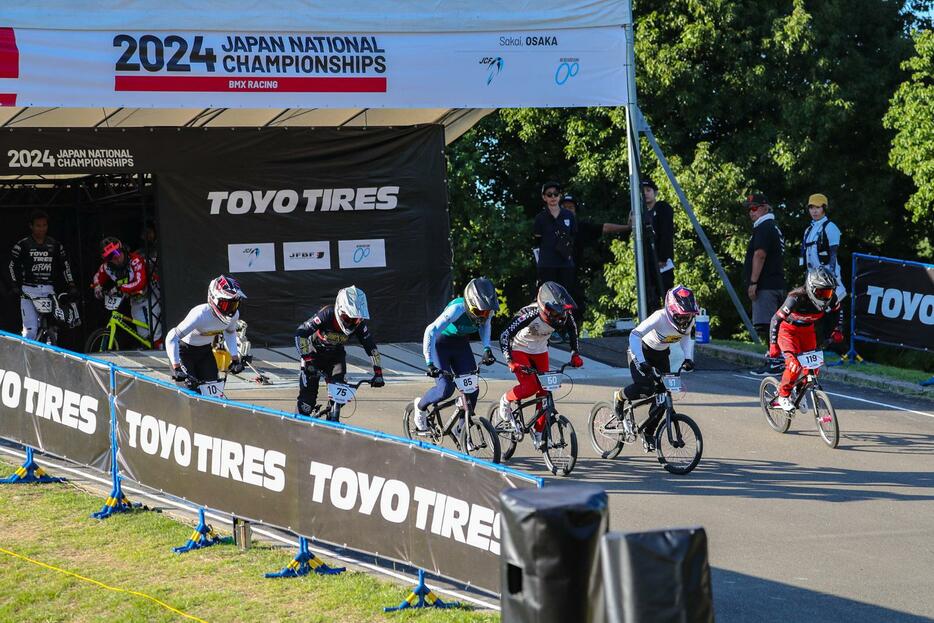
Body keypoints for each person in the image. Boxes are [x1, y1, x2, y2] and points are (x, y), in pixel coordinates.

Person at [498, 281, 584, 448]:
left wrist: (575, 353)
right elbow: (504, 334)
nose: (561, 319)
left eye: (562, 316)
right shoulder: (529, 314)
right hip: (520, 349)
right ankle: (506, 400)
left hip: (540, 350)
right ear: (546, 310)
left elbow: (573, 330)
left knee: (545, 391)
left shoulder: (563, 313)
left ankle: (539, 433)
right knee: (530, 387)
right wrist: (510, 361)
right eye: (557, 316)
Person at [616, 285, 699, 451]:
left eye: (688, 316)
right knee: (645, 388)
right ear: (670, 311)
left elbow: (686, 337)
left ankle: (648, 432)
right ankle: (619, 397)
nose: (684, 320)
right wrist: (640, 362)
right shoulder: (659, 317)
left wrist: (688, 357)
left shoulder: (689, 320)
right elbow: (634, 335)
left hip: (661, 355)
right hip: (641, 351)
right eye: (681, 317)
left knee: (663, 396)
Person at [412, 278, 499, 433]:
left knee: (472, 388)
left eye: (487, 312)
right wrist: (429, 362)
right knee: (445, 389)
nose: (484, 316)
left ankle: (462, 430)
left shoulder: (486, 310)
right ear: (470, 304)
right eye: (480, 312)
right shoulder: (457, 309)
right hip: (440, 344)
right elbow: (430, 331)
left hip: (460, 344)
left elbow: (486, 326)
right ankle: (420, 407)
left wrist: (487, 349)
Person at [294, 285, 384, 418]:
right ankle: (297, 430)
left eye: (356, 319)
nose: (352, 323)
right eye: (348, 318)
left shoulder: (359, 325)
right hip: (314, 356)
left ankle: (331, 420)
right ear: (339, 309)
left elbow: (371, 347)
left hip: (335, 358)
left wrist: (378, 373)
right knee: (307, 402)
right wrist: (307, 359)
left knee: (339, 400)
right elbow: (300, 333)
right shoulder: (327, 313)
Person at [767, 267, 844, 411]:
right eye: (821, 292)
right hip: (788, 331)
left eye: (828, 292)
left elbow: (838, 311)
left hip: (807, 331)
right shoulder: (795, 298)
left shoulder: (831, 299)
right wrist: (773, 345)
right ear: (811, 288)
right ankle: (783, 395)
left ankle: (798, 392)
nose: (826, 297)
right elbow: (775, 319)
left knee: (813, 367)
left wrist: (838, 329)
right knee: (794, 365)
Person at [8, 209, 78, 340]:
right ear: (31, 226)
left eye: (44, 225)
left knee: (54, 329)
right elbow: (12, 265)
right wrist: (14, 285)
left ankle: (50, 355)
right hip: (28, 291)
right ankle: (26, 358)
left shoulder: (55, 245)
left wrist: (71, 284)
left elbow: (65, 266)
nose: (41, 229)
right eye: (38, 225)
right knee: (30, 331)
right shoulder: (22, 245)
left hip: (48, 291)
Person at [560, 193, 628, 327]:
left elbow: (603, 227)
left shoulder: (580, 227)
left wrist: (627, 227)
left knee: (575, 304)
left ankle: (573, 333)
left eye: (571, 207)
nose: (568, 210)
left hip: (574, 274)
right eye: (565, 207)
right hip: (555, 273)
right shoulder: (550, 225)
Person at [167, 275, 246, 388]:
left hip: (205, 352)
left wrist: (235, 359)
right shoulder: (200, 314)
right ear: (214, 298)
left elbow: (230, 332)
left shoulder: (234, 315)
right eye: (226, 304)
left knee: (214, 390)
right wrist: (176, 367)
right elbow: (172, 336)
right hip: (184, 352)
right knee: (190, 391)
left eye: (234, 305)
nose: (230, 310)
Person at [91, 237, 163, 345]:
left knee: (155, 332)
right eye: (110, 256)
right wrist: (97, 288)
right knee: (143, 336)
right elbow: (97, 277)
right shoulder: (106, 267)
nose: (116, 257)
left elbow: (140, 283)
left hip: (151, 295)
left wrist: (121, 288)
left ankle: (163, 352)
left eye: (116, 251)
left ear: (122, 249)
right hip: (134, 300)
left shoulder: (135, 260)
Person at [743, 193, 786, 344]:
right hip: (776, 283)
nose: (751, 212)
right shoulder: (772, 227)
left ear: (765, 208)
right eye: (749, 209)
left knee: (769, 327)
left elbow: (760, 254)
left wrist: (753, 282)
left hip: (766, 286)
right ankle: (776, 360)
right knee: (775, 327)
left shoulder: (764, 227)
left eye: (754, 208)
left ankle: (775, 362)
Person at [533, 181, 577, 291]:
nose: (553, 197)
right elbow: (537, 240)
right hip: (547, 264)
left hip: (565, 263)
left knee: (566, 298)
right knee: (549, 298)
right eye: (549, 194)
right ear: (544, 197)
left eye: (556, 194)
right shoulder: (540, 218)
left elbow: (573, 235)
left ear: (560, 196)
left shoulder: (569, 215)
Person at [638, 179, 676, 306]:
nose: (646, 194)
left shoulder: (662, 207)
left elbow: (666, 233)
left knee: (665, 292)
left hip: (661, 261)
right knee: (649, 297)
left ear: (655, 192)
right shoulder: (640, 213)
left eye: (648, 190)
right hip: (646, 263)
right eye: (642, 192)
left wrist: (663, 257)